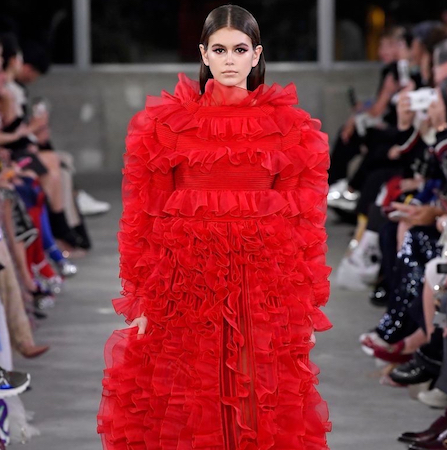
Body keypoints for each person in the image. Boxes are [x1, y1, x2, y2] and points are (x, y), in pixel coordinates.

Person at [97, 5, 331, 449]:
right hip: (186, 281)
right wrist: (141, 296)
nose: (229, 59)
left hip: (262, 281)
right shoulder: (166, 126)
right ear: (203, 54)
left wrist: (306, 300)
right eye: (219, 49)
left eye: (239, 49)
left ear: (256, 55)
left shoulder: (288, 128)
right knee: (189, 387)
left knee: (255, 382)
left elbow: (305, 218)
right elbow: (144, 214)